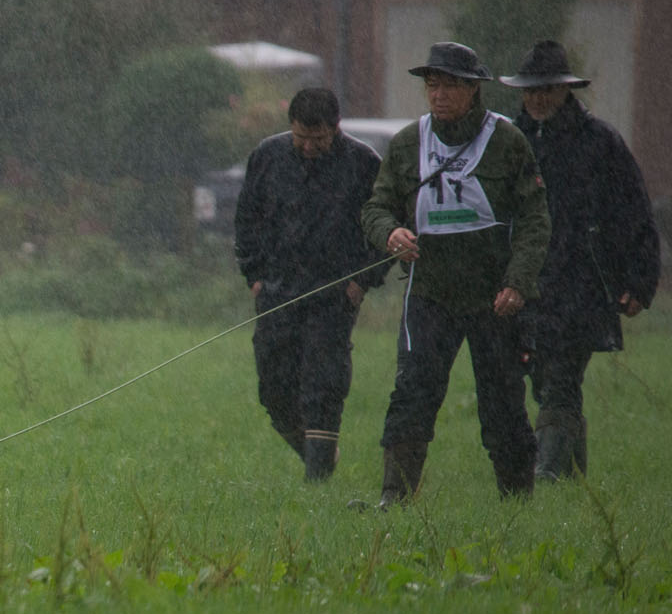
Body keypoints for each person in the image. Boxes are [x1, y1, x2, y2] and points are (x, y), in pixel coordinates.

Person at [360, 41, 550, 505]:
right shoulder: (407, 143)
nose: (438, 94)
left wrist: (517, 282)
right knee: (412, 393)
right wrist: (390, 234)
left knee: (503, 400)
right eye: (432, 85)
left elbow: (534, 219)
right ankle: (395, 497)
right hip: (429, 295)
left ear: (473, 90)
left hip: (494, 298)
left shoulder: (507, 142)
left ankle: (517, 499)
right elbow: (376, 206)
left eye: (449, 85)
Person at [500, 40, 660, 479]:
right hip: (526, 283)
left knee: (561, 379)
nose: (536, 98)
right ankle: (572, 483)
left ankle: (546, 477)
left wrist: (639, 281)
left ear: (565, 90)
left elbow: (634, 214)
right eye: (530, 90)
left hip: (581, 286)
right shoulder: (507, 142)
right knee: (543, 379)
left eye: (546, 89)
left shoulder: (600, 142)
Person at [234, 86, 389, 480]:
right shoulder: (266, 157)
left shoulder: (363, 163)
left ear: (335, 129)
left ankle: (317, 482)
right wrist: (254, 276)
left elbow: (384, 227)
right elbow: (246, 220)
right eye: (301, 138)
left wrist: (362, 281)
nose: (308, 147)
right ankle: (318, 456)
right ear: (291, 127)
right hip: (276, 291)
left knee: (323, 382)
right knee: (273, 386)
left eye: (317, 140)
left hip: (335, 296)